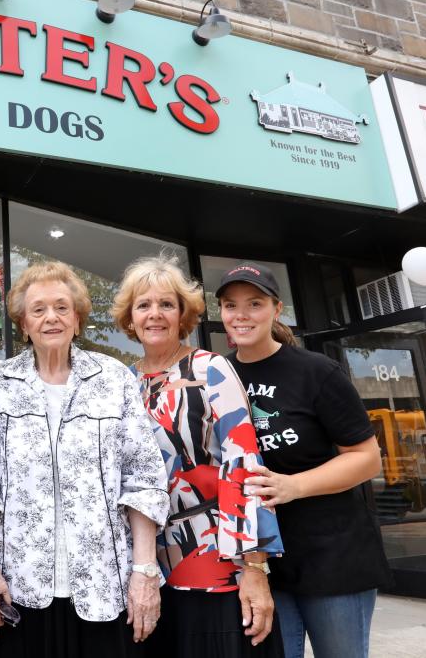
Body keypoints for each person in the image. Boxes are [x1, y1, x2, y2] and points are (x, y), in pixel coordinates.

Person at [0, 261, 169, 658]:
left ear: (77, 319)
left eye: (62, 307)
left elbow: (144, 479)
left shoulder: (114, 379)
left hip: (105, 586)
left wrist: (145, 571)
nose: (51, 318)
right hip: (20, 585)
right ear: (23, 324)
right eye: (38, 309)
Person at [112, 254, 285, 658]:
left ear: (183, 314)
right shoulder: (122, 382)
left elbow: (242, 466)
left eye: (166, 304)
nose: (155, 314)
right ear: (130, 317)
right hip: (143, 568)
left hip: (214, 560)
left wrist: (254, 569)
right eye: (144, 305)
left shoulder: (210, 369)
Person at [216, 261, 390, 658]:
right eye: (230, 305)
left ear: (277, 310)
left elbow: (366, 459)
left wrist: (293, 486)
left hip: (333, 556)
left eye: (254, 303)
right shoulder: (217, 376)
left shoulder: (317, 372)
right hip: (263, 563)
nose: (241, 315)